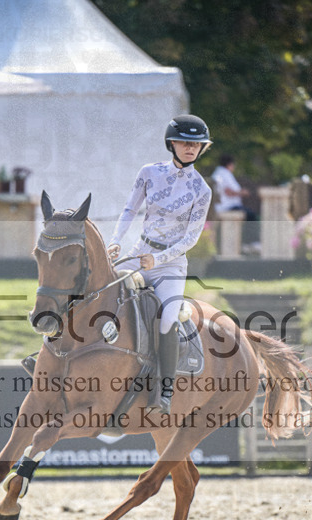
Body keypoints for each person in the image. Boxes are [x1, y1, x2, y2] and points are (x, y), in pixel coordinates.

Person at [108, 114, 213, 415]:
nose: (190, 148)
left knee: (167, 317)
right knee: (105, 295)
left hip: (171, 265)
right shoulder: (149, 173)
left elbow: (191, 238)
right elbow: (130, 209)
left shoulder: (201, 190)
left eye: (196, 144)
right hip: (139, 252)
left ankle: (164, 389)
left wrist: (160, 258)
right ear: (171, 143)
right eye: (184, 142)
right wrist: (115, 241)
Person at [211, 154, 260, 255]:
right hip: (227, 206)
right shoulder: (224, 174)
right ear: (230, 164)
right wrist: (242, 192)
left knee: (248, 214)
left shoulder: (218, 173)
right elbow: (228, 191)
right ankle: (251, 242)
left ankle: (246, 243)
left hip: (222, 206)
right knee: (251, 215)